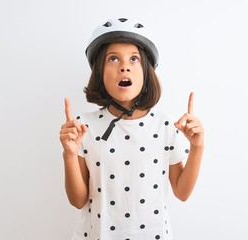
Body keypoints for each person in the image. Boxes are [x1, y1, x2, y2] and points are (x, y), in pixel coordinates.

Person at [59, 17, 204, 240]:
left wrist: (197, 147)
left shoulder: (165, 125)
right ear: (100, 72)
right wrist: (69, 154)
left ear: (146, 72)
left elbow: (182, 192)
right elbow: (78, 200)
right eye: (113, 58)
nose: (124, 66)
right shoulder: (84, 128)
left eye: (134, 59)